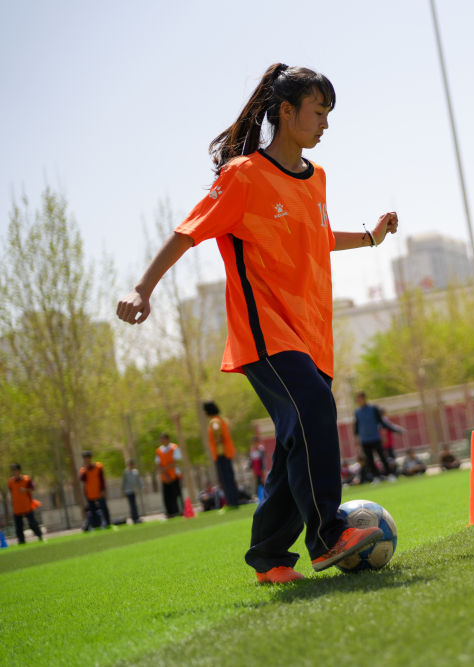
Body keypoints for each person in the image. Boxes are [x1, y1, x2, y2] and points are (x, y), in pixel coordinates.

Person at [116, 64, 396, 584]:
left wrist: (369, 238)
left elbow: (315, 238)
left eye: (329, 114)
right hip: (266, 334)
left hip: (313, 335)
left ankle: (269, 556)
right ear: (286, 112)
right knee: (314, 411)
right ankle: (328, 537)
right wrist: (142, 288)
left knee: (296, 440)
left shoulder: (317, 178)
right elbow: (188, 232)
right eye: (318, 112)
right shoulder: (242, 176)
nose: (326, 124)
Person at [354, 392, 403, 481]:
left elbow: (382, 422)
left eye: (359, 399)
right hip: (365, 440)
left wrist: (394, 431)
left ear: (364, 398)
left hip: (375, 438)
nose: (358, 401)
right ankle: (376, 477)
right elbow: (357, 426)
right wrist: (356, 438)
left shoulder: (373, 409)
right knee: (370, 460)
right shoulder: (357, 412)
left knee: (382, 457)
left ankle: (390, 475)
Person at [203, 401, 241, 509]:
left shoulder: (214, 422)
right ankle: (234, 502)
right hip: (226, 453)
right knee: (229, 478)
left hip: (221, 454)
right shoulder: (220, 420)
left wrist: (217, 444)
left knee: (225, 479)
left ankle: (231, 503)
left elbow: (218, 436)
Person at [8, 463, 43, 544]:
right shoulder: (10, 482)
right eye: (13, 471)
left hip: (27, 506)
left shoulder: (26, 479)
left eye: (15, 470)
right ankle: (21, 541)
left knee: (32, 523)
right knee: (19, 526)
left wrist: (25, 490)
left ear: (19, 470)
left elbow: (33, 488)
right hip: (17, 507)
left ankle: (40, 536)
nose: (14, 472)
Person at [79, 451, 111, 530]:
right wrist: (85, 469)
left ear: (90, 458)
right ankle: (96, 525)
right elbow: (82, 479)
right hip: (89, 493)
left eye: (87, 458)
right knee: (92, 510)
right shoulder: (83, 469)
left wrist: (103, 490)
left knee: (104, 508)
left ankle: (108, 523)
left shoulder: (98, 467)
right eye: (85, 458)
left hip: (99, 492)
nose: (86, 460)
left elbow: (102, 479)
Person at [155, 433, 184, 518]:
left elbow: (175, 462)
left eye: (163, 439)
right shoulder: (159, 450)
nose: (162, 441)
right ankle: (169, 513)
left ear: (168, 439)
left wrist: (164, 469)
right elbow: (158, 464)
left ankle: (180, 511)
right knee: (167, 496)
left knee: (176, 493)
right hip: (165, 477)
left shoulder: (174, 447)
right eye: (161, 439)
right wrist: (165, 474)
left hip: (174, 475)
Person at [121, 459, 142, 524]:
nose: (131, 466)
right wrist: (123, 491)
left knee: (134, 505)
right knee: (132, 505)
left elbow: (138, 480)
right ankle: (135, 518)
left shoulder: (135, 472)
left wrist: (142, 487)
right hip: (128, 491)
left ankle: (136, 517)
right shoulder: (126, 472)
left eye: (132, 464)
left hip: (133, 490)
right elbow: (124, 482)